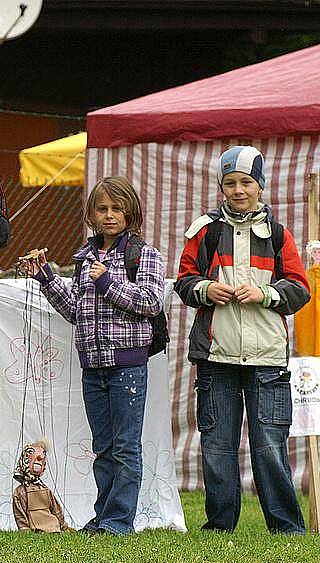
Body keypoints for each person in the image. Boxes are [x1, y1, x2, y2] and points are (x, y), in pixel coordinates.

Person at [174, 145, 310, 534]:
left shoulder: (280, 235)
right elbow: (183, 281)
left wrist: (265, 295)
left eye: (246, 182)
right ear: (221, 186)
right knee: (217, 446)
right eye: (230, 183)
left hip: (267, 358)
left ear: (261, 187)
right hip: (216, 356)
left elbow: (300, 290)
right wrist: (205, 289)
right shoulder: (205, 231)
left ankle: (286, 528)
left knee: (269, 445)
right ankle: (219, 525)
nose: (238, 190)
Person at [19, 176, 164, 535]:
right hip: (92, 367)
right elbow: (74, 310)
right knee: (103, 447)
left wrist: (107, 283)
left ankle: (118, 522)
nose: (110, 215)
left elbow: (150, 302)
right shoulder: (84, 258)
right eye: (102, 209)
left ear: (131, 213)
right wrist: (46, 278)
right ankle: (104, 516)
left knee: (126, 447)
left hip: (127, 366)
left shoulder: (144, 254)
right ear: (91, 215)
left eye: (117, 209)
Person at [12, 439, 71, 533]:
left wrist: (63, 525)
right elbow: (20, 512)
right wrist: (24, 529)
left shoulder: (45, 489)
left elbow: (55, 508)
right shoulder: (21, 491)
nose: (39, 459)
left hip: (53, 525)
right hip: (35, 527)